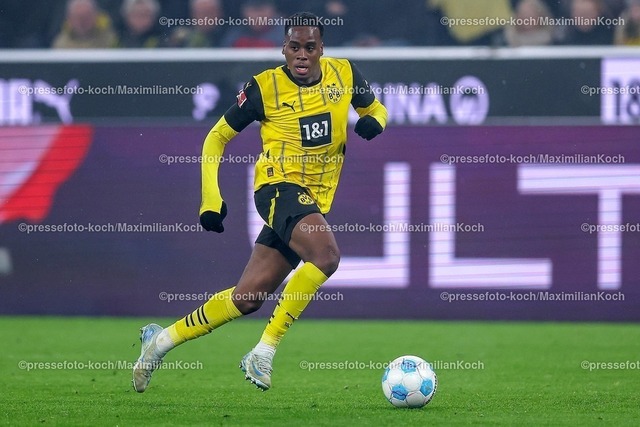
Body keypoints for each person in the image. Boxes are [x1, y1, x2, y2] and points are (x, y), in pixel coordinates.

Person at [132, 11, 387, 392]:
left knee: (248, 297)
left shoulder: (344, 73)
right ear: (284, 49)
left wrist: (375, 121)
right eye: (294, 47)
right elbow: (216, 137)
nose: (302, 55)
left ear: (322, 49)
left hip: (313, 198)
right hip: (277, 187)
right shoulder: (263, 88)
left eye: (310, 47)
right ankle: (264, 351)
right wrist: (210, 198)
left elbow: (375, 108)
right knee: (326, 256)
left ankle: (161, 341)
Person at [52, 0, 117, 49]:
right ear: (69, 19)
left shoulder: (110, 41)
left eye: (87, 16)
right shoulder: (60, 45)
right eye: (78, 17)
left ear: (95, 16)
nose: (82, 21)